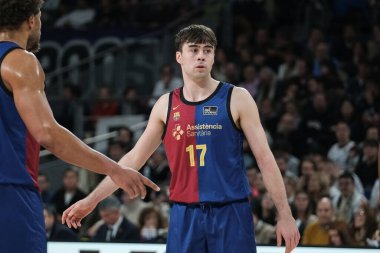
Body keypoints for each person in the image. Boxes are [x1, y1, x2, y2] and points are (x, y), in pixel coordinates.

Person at [62, 24, 300, 253]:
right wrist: (92, 200)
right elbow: (132, 159)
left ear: (214, 57)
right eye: (194, 50)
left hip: (231, 212)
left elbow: (265, 158)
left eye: (207, 51)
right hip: (184, 215)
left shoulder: (237, 97)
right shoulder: (165, 104)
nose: (201, 56)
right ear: (179, 57)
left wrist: (285, 215)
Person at [0, 1, 159, 253]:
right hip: (10, 194)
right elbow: (48, 133)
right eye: (40, 16)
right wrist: (115, 169)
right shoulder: (19, 61)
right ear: (31, 20)